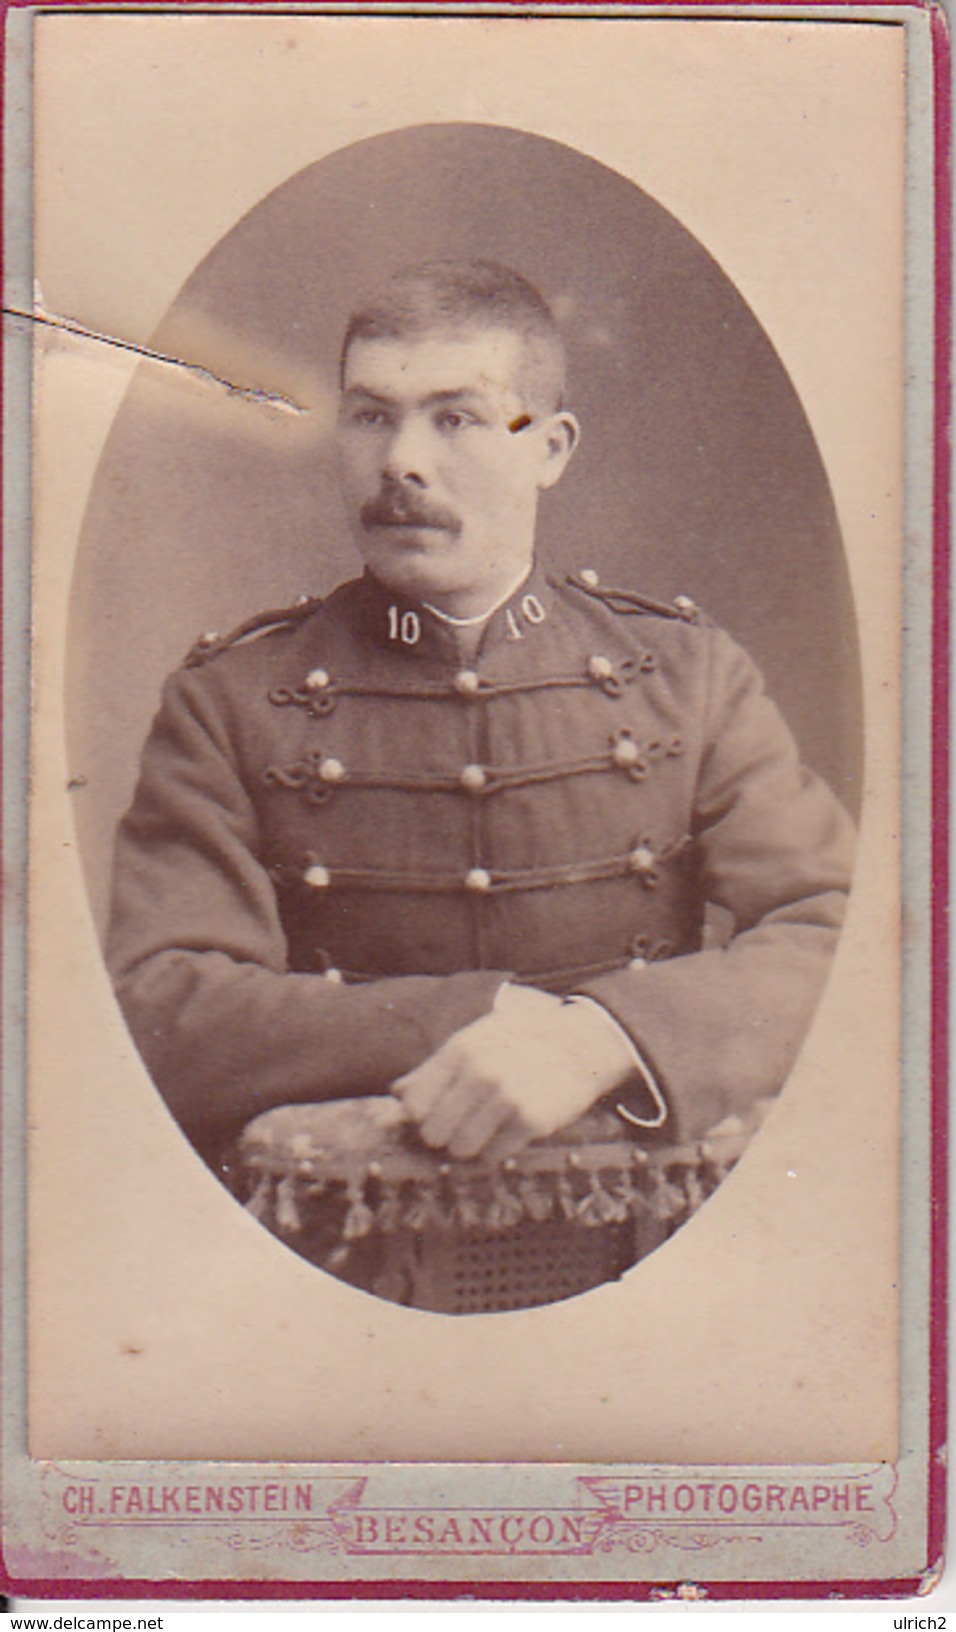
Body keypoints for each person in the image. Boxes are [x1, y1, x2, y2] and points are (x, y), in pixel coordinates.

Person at [107, 258, 855, 1185]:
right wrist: (475, 1018)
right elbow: (163, 1009)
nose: (401, 463)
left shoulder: (687, 677)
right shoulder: (228, 701)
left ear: (550, 448)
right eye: (372, 416)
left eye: (455, 418)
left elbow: (841, 937)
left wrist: (603, 1042)